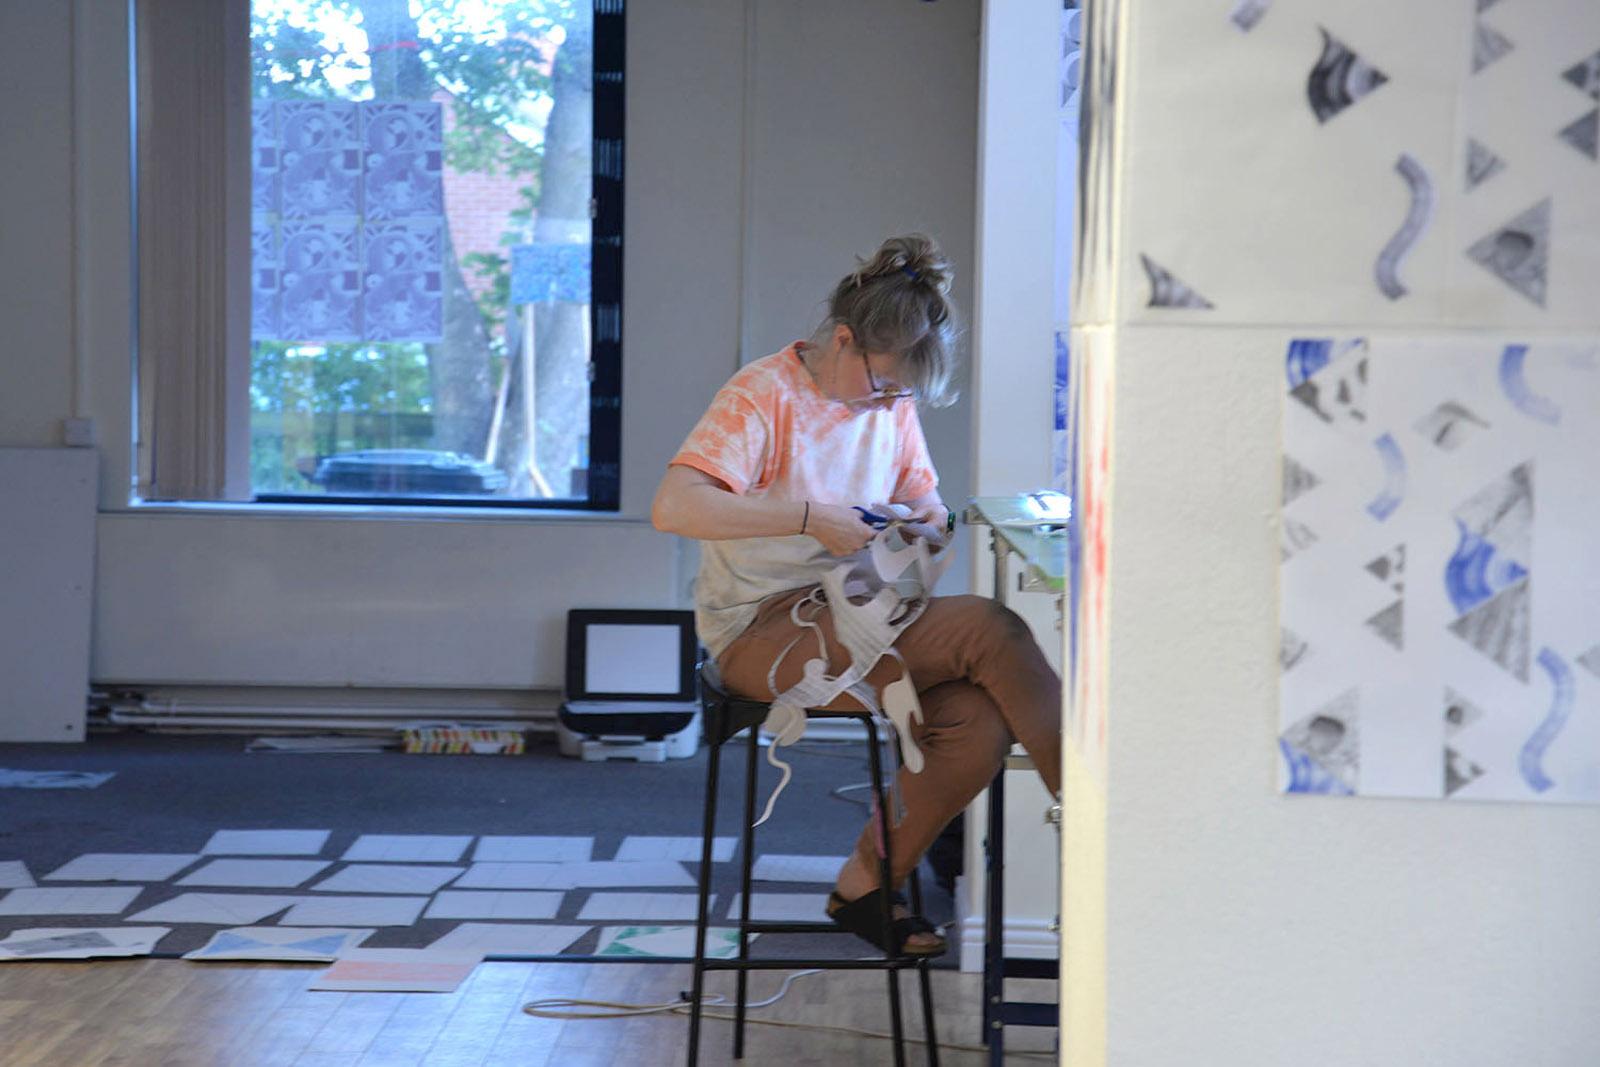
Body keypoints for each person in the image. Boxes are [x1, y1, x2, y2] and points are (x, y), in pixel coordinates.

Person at [652, 233, 1062, 957]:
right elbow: (674, 507)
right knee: (989, 630)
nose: (890, 401)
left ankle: (867, 885)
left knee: (975, 724)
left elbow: (929, 506)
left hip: (856, 606)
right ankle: (1100, 828)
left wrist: (920, 526)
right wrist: (812, 518)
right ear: (843, 340)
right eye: (883, 383)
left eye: (902, 393)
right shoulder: (762, 395)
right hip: (757, 631)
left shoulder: (889, 406)